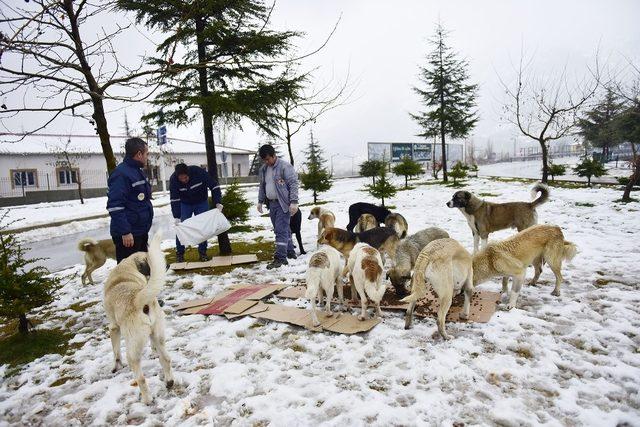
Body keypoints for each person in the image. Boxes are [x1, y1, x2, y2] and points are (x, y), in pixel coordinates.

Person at [106, 137, 154, 263]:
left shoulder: (136, 171)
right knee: (129, 272)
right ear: (139, 154)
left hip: (139, 231)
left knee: (142, 269)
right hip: (129, 235)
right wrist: (125, 232)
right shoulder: (121, 174)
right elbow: (115, 206)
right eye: (146, 154)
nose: (147, 157)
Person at [170, 163, 223, 263]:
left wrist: (217, 202)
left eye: (185, 178)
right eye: (181, 179)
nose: (183, 180)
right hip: (185, 204)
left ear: (188, 173)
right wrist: (177, 216)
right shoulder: (173, 179)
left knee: (203, 227)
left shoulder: (198, 172)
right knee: (182, 227)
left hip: (201, 202)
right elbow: (174, 199)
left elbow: (214, 186)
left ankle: (203, 253)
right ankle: (180, 254)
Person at [257, 144, 299, 269]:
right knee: (283, 229)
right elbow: (262, 186)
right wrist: (260, 201)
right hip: (272, 204)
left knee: (280, 230)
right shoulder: (264, 169)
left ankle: (281, 258)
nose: (266, 162)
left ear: (274, 155)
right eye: (264, 160)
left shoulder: (285, 166)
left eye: (268, 159)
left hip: (283, 203)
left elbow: (293, 184)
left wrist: (294, 201)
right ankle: (290, 252)